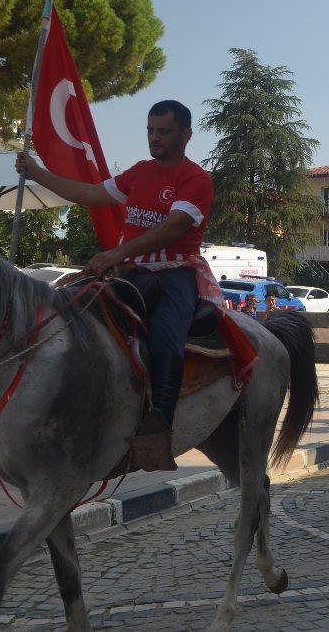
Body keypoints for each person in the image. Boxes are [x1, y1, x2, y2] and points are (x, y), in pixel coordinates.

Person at [16, 99, 213, 470]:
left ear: (186, 134)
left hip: (173, 274)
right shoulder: (139, 172)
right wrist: (38, 172)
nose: (154, 138)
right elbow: (90, 194)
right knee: (68, 312)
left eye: (164, 132)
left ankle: (158, 431)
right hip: (129, 271)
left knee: (166, 344)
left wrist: (117, 253)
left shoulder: (196, 179)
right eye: (150, 131)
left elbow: (172, 228)